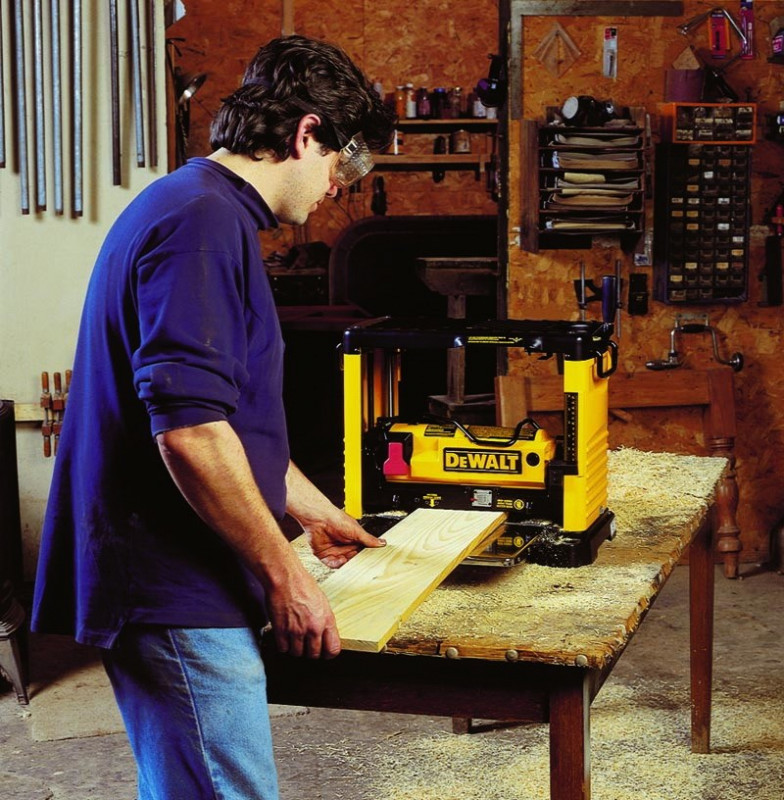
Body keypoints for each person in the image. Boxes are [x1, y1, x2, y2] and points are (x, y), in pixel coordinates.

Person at [31, 34, 396, 800]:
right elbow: (191, 434)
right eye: (339, 166)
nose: (336, 189)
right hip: (173, 586)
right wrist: (285, 579)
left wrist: (314, 512)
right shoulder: (199, 224)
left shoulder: (197, 207)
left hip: (182, 579)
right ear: (305, 134)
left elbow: (226, 419)